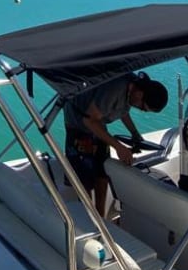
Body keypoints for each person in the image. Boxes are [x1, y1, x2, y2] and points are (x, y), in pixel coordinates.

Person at [63, 71, 168, 215]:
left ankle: (101, 216)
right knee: (84, 176)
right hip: (80, 123)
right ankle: (89, 215)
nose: (140, 109)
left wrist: (135, 134)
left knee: (102, 170)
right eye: (143, 107)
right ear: (141, 94)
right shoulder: (115, 89)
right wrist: (119, 147)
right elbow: (89, 120)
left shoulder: (132, 90)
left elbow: (123, 110)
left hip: (97, 123)